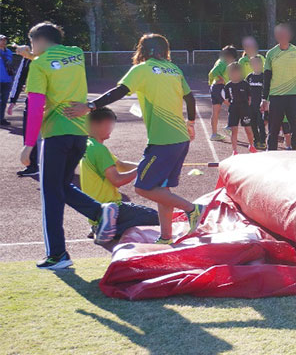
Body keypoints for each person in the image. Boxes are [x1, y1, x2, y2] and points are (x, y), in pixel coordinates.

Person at [67, 33, 203, 246]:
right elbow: (190, 97)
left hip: (163, 141)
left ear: (142, 50)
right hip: (180, 139)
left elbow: (118, 92)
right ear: (164, 50)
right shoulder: (174, 69)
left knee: (143, 187)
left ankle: (192, 209)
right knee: (162, 190)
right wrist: (191, 123)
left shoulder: (142, 69)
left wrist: (90, 106)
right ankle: (166, 237)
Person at [20, 21, 109, 270]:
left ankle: (57, 254)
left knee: (50, 193)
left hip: (55, 134)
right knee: (60, 186)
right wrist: (31, 54)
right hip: (79, 134)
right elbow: (55, 61)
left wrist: (29, 145)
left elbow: (36, 106)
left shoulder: (38, 65)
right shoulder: (76, 53)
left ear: (36, 40)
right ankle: (101, 212)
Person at [79, 107, 160, 244]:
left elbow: (120, 164)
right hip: (112, 208)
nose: (111, 128)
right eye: (109, 124)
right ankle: (109, 228)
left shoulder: (89, 145)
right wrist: (141, 170)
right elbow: (117, 180)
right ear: (99, 124)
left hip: (95, 209)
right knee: (157, 218)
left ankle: (100, 225)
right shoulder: (99, 150)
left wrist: (145, 166)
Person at [262, 23, 296, 151]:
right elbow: (267, 77)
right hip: (276, 97)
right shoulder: (271, 54)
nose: (282, 36)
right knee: (274, 129)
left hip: (293, 96)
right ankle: (271, 153)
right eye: (279, 33)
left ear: (290, 35)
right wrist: (264, 98)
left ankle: (295, 154)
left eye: (285, 33)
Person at [8, 48, 37, 176]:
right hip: (34, 101)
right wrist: (13, 100)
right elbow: (19, 78)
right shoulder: (27, 60)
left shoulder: (55, 57)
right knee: (29, 131)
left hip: (54, 103)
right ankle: (32, 165)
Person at [223, 62, 257, 154]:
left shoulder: (245, 84)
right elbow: (226, 99)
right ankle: (234, 150)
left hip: (244, 109)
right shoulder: (228, 86)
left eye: (236, 72)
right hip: (233, 110)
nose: (234, 75)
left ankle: (251, 145)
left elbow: (249, 97)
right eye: (231, 73)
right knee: (234, 130)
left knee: (248, 129)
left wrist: (246, 106)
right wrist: (231, 105)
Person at [208, 45, 238, 141]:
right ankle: (229, 126)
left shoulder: (220, 61)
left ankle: (214, 134)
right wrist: (221, 80)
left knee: (215, 111)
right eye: (233, 58)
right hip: (219, 88)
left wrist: (211, 82)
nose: (233, 61)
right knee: (234, 106)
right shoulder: (223, 62)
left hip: (215, 88)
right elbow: (213, 72)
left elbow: (212, 74)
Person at [246, 55, 267, 149]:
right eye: (253, 63)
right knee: (253, 123)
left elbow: (267, 90)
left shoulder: (264, 77)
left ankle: (263, 141)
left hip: (261, 105)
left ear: (261, 64)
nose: (255, 65)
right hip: (251, 106)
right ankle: (256, 140)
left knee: (261, 123)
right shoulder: (249, 77)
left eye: (257, 63)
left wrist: (265, 102)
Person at [0, 34, 13, 125]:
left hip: (7, 79)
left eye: (5, 40)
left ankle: (1, 118)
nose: (4, 42)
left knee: (4, 101)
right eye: (2, 40)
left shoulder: (9, 52)